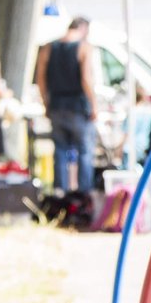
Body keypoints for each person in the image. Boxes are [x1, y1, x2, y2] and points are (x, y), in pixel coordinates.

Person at [36, 16, 102, 193]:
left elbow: (40, 79)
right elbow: (86, 79)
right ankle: (83, 195)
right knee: (85, 152)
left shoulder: (49, 48)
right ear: (84, 29)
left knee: (60, 151)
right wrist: (94, 105)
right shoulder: (83, 47)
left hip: (56, 106)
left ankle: (60, 193)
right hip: (78, 107)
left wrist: (46, 103)